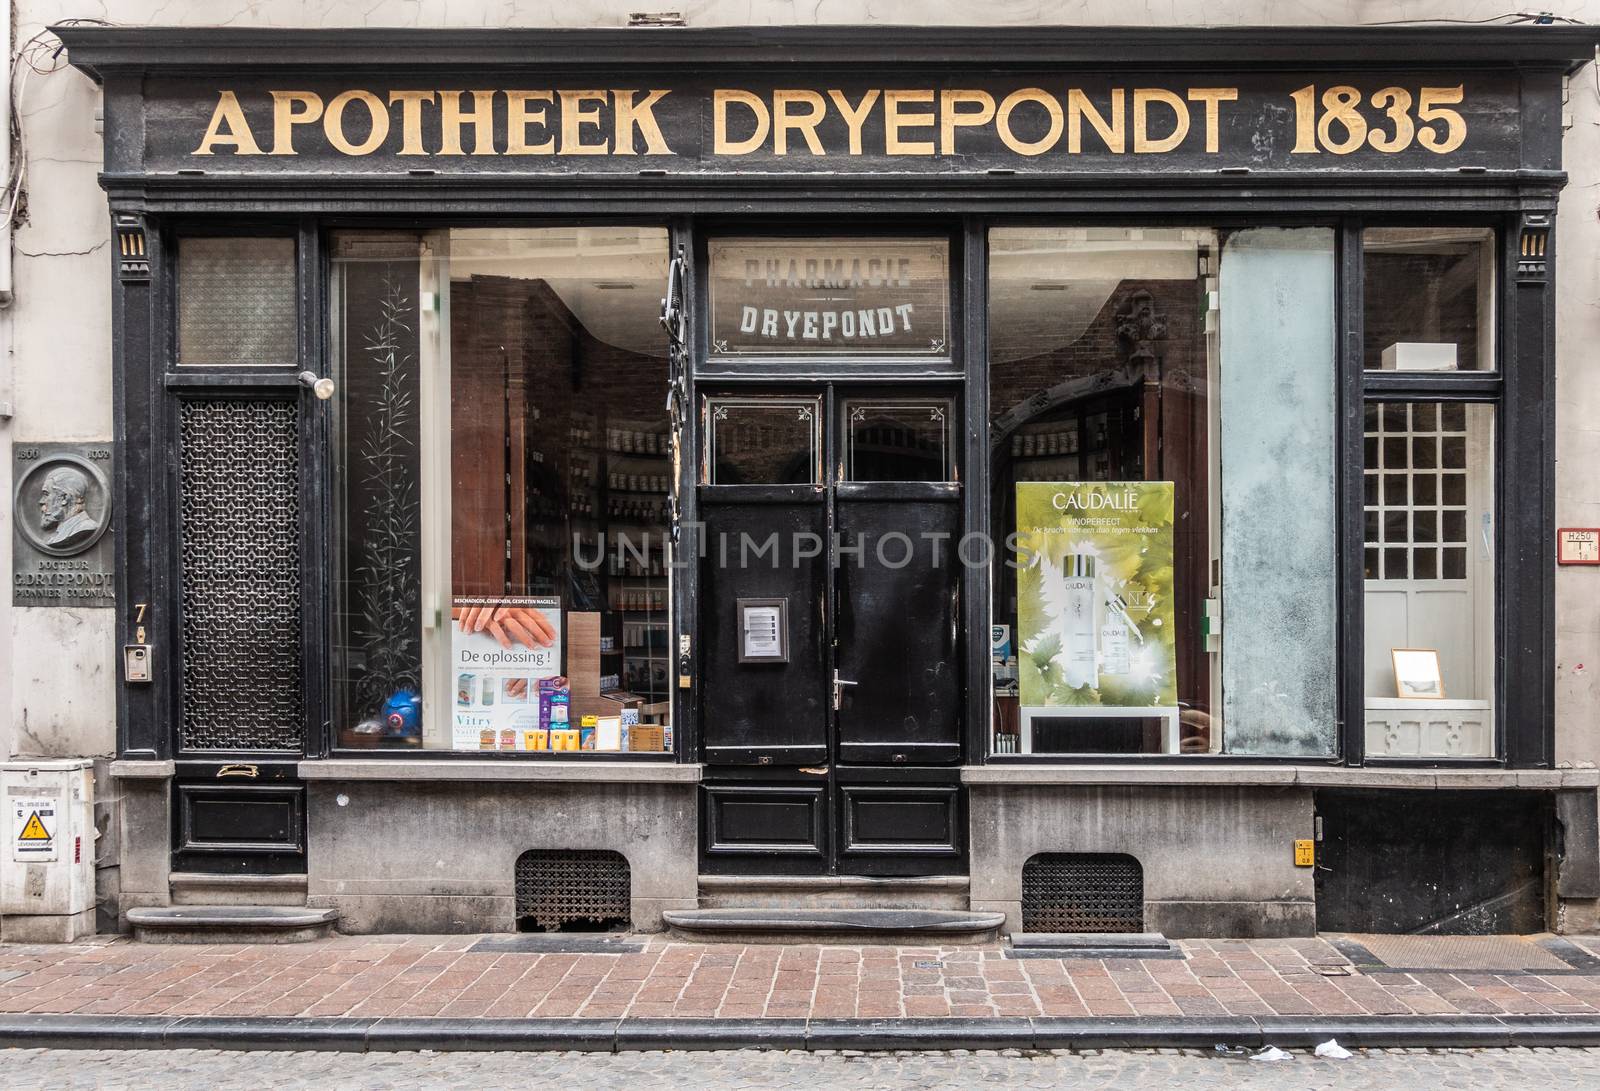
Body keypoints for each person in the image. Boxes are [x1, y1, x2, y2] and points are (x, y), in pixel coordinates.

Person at [38, 466, 99, 550]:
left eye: (46, 494)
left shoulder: (85, 527)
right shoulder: (59, 534)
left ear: (64, 498)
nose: (41, 501)